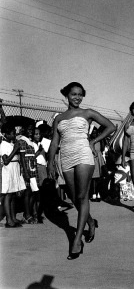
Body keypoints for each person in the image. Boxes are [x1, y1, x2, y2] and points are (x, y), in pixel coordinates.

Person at [47, 82, 115, 260]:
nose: (77, 97)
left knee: (82, 196)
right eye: (73, 94)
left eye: (80, 94)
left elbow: (111, 127)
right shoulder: (59, 118)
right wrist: (50, 162)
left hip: (84, 154)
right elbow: (55, 142)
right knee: (74, 196)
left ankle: (77, 240)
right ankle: (90, 222)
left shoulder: (88, 113)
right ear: (66, 95)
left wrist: (93, 141)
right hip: (65, 157)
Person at [0, 123, 26, 227]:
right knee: (8, 195)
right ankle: (9, 220)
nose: (14, 135)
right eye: (12, 134)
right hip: (8, 170)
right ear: (5, 134)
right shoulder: (3, 145)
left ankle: (13, 217)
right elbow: (6, 161)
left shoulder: (11, 144)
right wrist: (15, 149)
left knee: (13, 195)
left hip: (14, 168)